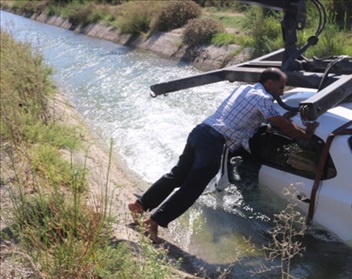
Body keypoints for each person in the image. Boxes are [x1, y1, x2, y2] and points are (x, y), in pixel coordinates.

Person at [128, 67, 317, 243]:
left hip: (200, 132)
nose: (282, 93)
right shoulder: (263, 97)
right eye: (280, 87)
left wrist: (286, 120)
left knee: (177, 175)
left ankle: (140, 205)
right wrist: (305, 134)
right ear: (269, 83)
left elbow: (269, 121)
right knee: (192, 189)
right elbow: (280, 124)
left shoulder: (244, 90)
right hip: (213, 142)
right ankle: (154, 222)